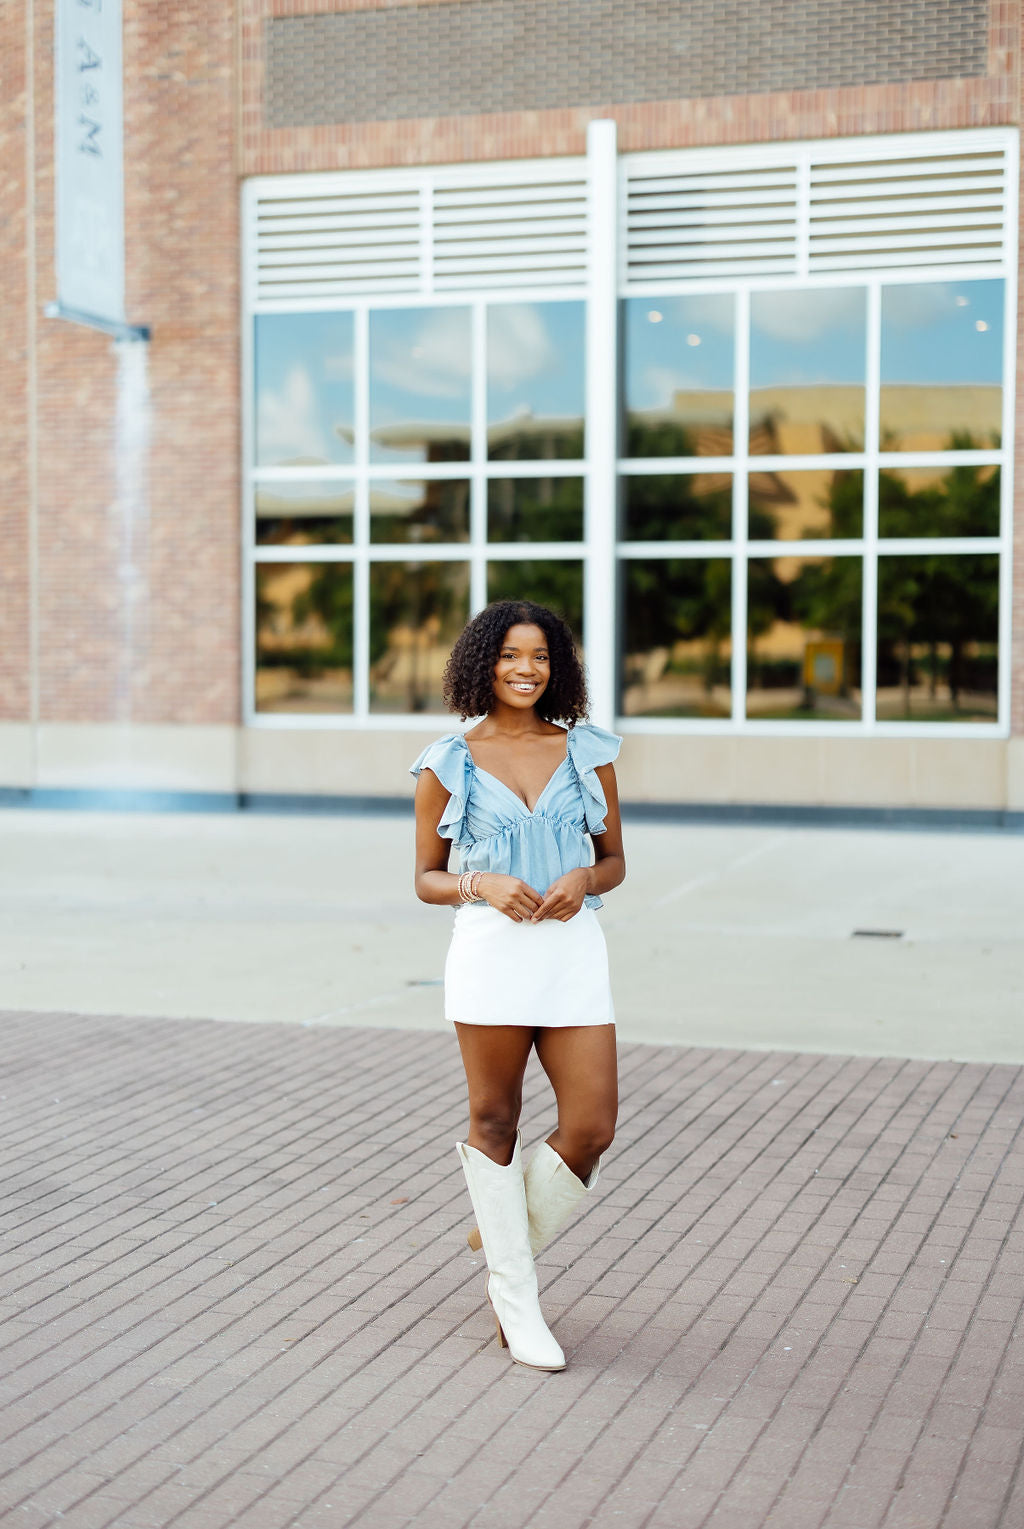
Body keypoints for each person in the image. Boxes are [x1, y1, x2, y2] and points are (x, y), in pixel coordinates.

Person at [411, 599, 625, 1372]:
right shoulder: (449, 759)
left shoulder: (587, 751)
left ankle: (507, 1231)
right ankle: (516, 1295)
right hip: (492, 952)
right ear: (483, 663)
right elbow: (425, 879)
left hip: (571, 952)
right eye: (510, 655)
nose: (526, 668)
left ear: (556, 665)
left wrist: (583, 877)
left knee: (592, 1124)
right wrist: (483, 884)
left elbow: (615, 863)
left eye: (539, 655)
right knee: (495, 1119)